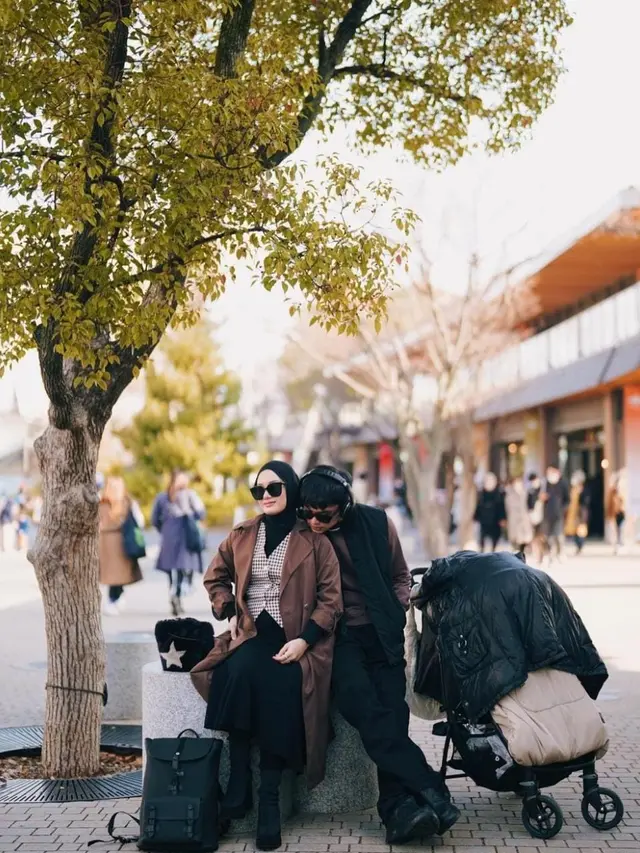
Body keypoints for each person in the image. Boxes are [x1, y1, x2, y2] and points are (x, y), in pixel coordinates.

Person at [297, 465, 459, 845]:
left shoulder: (375, 522)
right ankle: (429, 787)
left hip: (382, 632)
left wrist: (395, 606)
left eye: (324, 515)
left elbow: (400, 574)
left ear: (345, 506)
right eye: (307, 513)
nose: (315, 521)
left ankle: (399, 811)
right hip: (336, 636)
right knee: (365, 708)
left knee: (393, 715)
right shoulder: (301, 533)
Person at [191, 461, 342, 852]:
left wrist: (305, 641)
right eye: (258, 490)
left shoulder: (315, 541)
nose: (266, 496)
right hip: (250, 634)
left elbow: (331, 600)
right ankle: (239, 779)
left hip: (295, 638)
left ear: (290, 487)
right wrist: (227, 607)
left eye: (274, 488)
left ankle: (268, 798)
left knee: (282, 682)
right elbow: (215, 577)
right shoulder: (242, 534)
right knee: (236, 671)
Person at [151, 469, 206, 616]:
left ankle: (175, 595)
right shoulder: (190, 495)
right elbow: (201, 514)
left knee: (173, 569)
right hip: (185, 536)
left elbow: (155, 519)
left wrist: (164, 529)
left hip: (169, 536)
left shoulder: (162, 497)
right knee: (183, 567)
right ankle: (178, 595)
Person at [99, 476, 144, 615]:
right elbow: (140, 521)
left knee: (113, 575)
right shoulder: (127, 503)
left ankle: (115, 598)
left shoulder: (101, 503)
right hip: (120, 541)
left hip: (106, 542)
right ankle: (115, 598)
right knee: (117, 574)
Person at [541, 465, 570, 563]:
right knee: (547, 536)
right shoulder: (544, 484)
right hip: (546, 514)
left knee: (559, 535)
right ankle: (548, 554)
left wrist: (562, 509)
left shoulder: (562, 484)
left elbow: (567, 500)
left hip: (558, 514)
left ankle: (560, 553)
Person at [473, 472, 506, 552]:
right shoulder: (482, 493)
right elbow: (479, 505)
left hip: (495, 520)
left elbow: (501, 507)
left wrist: (503, 518)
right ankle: (482, 551)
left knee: (495, 538)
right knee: (482, 538)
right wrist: (476, 516)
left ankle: (493, 551)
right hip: (484, 520)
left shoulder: (499, 493)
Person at [504, 476, 533, 553]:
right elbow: (507, 507)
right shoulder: (509, 494)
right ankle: (516, 551)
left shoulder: (525, 493)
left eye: (519, 483)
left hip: (524, 518)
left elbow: (529, 505)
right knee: (515, 537)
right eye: (516, 483)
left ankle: (522, 551)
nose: (518, 484)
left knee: (524, 537)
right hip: (513, 518)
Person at [564, 470, 589, 555]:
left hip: (580, 514)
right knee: (573, 531)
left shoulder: (583, 490)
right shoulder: (572, 490)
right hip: (572, 513)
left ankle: (580, 546)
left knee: (580, 530)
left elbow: (585, 502)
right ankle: (577, 546)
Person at [606, 474, 626, 555]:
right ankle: (616, 546)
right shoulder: (612, 492)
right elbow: (610, 504)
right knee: (615, 531)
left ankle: (620, 545)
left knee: (621, 530)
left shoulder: (621, 492)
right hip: (615, 514)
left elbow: (623, 503)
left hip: (621, 513)